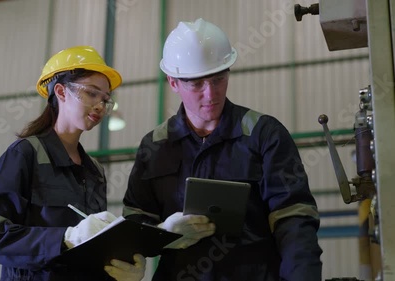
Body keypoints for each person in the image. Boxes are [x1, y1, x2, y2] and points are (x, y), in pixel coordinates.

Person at [122, 18, 322, 281]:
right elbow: (134, 223)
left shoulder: (263, 135)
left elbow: (294, 220)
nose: (210, 94)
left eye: (218, 79)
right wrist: (162, 232)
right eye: (196, 84)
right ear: (173, 82)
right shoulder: (155, 146)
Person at [0, 46, 146, 281]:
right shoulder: (25, 154)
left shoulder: (94, 171)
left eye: (105, 99)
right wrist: (65, 238)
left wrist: (118, 269)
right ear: (61, 92)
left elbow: (89, 250)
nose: (100, 106)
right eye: (92, 93)